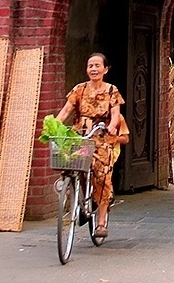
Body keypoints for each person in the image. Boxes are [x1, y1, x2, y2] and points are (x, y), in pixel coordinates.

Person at [56, 53, 125, 238]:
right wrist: (53, 127)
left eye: (97, 65)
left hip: (101, 137)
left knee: (102, 178)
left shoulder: (112, 91)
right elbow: (66, 111)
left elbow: (116, 114)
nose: (93, 69)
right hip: (80, 136)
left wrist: (111, 126)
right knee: (70, 165)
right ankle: (77, 196)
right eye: (90, 66)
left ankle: (101, 222)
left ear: (105, 69)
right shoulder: (79, 89)